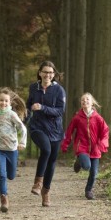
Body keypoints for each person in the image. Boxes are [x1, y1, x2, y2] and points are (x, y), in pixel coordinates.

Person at [26, 60, 66, 207]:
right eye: (45, 72)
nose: (47, 75)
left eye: (50, 72)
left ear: (54, 74)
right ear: (40, 73)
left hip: (55, 130)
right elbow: (28, 106)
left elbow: (60, 111)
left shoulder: (59, 90)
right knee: (46, 150)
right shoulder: (33, 88)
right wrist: (22, 119)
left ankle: (46, 191)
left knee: (52, 161)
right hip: (37, 127)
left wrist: (43, 107)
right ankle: (37, 183)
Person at [61, 92, 109, 200]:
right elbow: (69, 131)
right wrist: (65, 144)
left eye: (87, 99)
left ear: (92, 103)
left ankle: (88, 190)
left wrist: (102, 143)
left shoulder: (98, 118)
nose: (85, 101)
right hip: (82, 147)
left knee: (94, 173)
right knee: (87, 166)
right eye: (83, 100)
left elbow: (105, 131)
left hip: (95, 149)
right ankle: (79, 161)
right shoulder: (77, 117)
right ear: (81, 103)